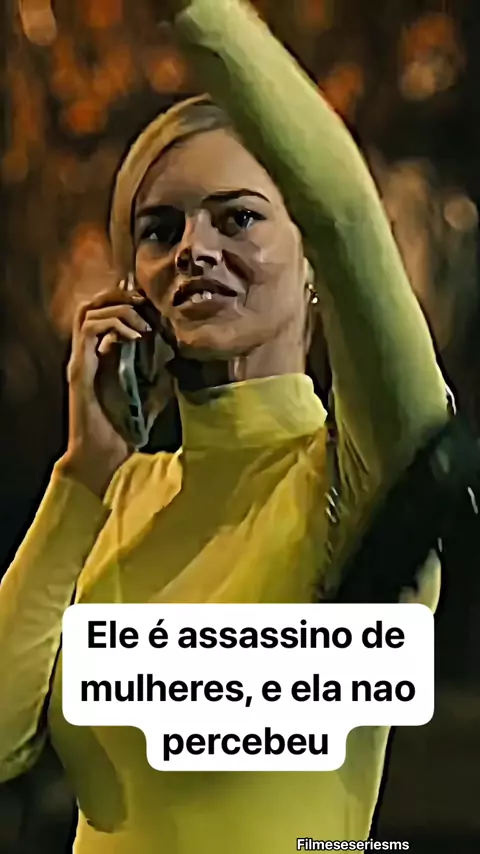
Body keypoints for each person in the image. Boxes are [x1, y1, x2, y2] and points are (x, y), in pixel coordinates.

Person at [0, 0, 448, 852]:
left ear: (310, 256)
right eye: (159, 230)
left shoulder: (356, 474)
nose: (194, 249)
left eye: (237, 217)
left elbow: (347, 214)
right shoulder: (117, 497)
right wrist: (83, 475)